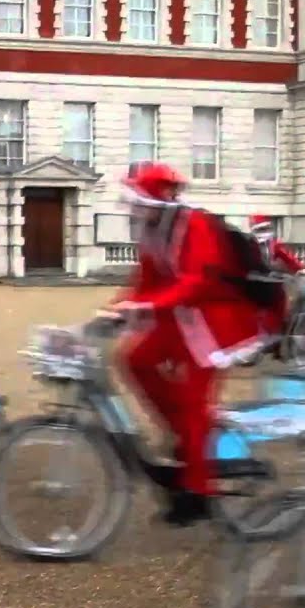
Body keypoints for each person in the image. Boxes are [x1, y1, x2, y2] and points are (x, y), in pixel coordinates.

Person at [105, 162, 262, 525]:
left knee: (194, 402)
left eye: (139, 201)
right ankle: (186, 439)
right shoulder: (152, 229)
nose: (134, 209)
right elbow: (146, 279)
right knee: (135, 359)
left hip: (215, 320)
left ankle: (198, 493)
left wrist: (146, 305)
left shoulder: (197, 225)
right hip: (180, 317)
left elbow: (197, 282)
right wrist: (116, 308)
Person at [249, 215, 305, 337]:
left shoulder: (274, 245)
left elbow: (289, 258)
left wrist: (302, 268)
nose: (263, 233)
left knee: (283, 301)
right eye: (259, 230)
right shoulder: (251, 245)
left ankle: (281, 331)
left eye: (265, 229)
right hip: (255, 282)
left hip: (271, 282)